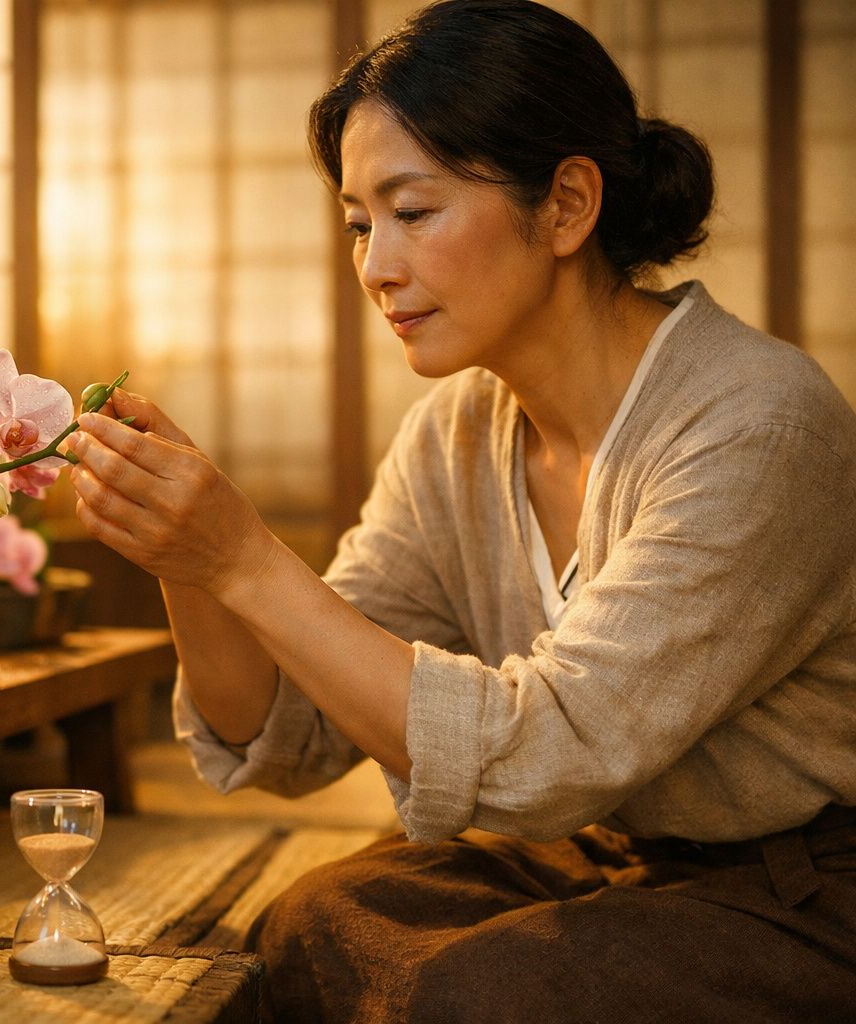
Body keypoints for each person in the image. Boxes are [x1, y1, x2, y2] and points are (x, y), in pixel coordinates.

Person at [60, 0, 856, 1020]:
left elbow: (549, 755)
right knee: (308, 921)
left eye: (415, 212)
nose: (376, 267)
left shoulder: (758, 422)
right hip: (600, 852)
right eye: (359, 223)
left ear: (567, 205)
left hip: (802, 887)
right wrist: (186, 556)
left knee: (474, 990)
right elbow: (290, 728)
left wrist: (247, 560)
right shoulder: (455, 435)